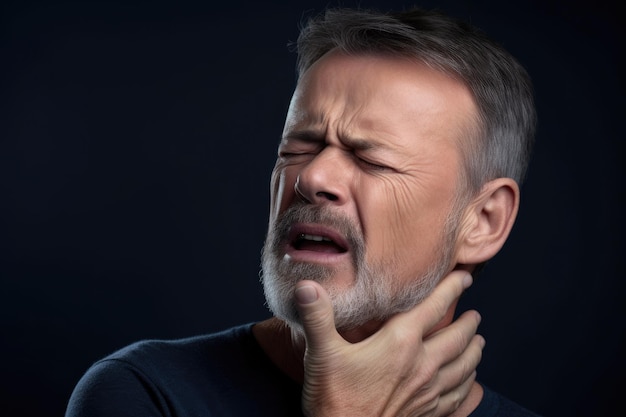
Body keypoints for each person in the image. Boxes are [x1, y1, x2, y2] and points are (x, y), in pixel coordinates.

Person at [66, 6, 540, 417]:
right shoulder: (145, 394)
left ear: (484, 221)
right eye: (300, 146)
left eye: (371, 158)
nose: (313, 178)